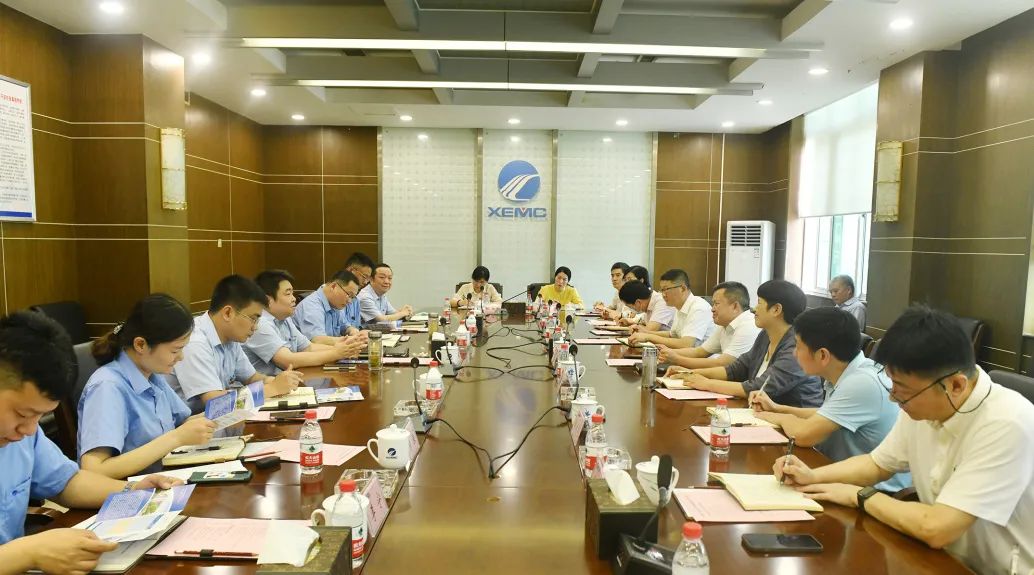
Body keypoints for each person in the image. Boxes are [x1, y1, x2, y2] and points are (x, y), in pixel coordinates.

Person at [774, 306, 1034, 575]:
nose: (893, 397)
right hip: (943, 558)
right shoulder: (925, 402)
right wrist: (812, 476)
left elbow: (936, 527)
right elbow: (877, 464)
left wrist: (859, 495)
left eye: (902, 390)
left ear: (955, 385)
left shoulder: (1007, 423)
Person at [0, 312, 180, 574]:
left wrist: (132, 491)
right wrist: (28, 552)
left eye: (40, 416)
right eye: (22, 414)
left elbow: (66, 482)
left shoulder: (24, 436)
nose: (29, 429)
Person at [751, 307, 910, 492]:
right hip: (843, 478)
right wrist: (777, 408)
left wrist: (773, 416)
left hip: (875, 492)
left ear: (823, 355)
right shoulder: (846, 373)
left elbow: (802, 435)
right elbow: (826, 415)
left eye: (798, 346)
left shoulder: (862, 383)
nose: (794, 353)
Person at [78, 294, 217, 479]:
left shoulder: (151, 374)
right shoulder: (107, 387)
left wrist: (216, 417)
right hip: (132, 490)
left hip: (166, 476)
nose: (181, 357)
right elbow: (94, 471)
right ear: (141, 345)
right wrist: (176, 438)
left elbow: (180, 423)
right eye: (175, 350)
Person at [671, 279, 823, 407]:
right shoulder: (765, 336)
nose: (753, 309)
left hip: (793, 424)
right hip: (761, 415)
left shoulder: (797, 346)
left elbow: (759, 387)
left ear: (776, 309)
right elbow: (736, 369)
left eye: (759, 303)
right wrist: (690, 374)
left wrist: (706, 383)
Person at [167, 275, 304, 413]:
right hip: (188, 422)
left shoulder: (230, 336)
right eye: (253, 319)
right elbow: (216, 404)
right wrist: (272, 388)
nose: (255, 327)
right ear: (228, 313)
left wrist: (275, 381)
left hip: (216, 420)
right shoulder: (195, 343)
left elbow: (252, 378)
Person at [246, 270, 365, 376]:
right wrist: (336, 353)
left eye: (292, 293)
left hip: (287, 380)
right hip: (264, 388)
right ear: (267, 300)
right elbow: (287, 360)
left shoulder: (285, 319)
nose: (294, 298)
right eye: (288, 294)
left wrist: (344, 349)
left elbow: (308, 347)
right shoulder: (259, 324)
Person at [662, 281, 761, 371]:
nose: (712, 309)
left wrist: (677, 359)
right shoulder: (724, 324)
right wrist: (665, 352)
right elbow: (699, 352)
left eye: (716, 304)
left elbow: (722, 364)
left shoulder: (748, 325)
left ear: (735, 306)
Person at [628, 269, 714, 348]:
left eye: (666, 289)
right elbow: (672, 335)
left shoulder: (699, 308)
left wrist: (648, 337)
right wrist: (646, 332)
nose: (663, 294)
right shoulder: (679, 307)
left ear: (683, 288)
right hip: (682, 356)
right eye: (662, 290)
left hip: (703, 359)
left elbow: (686, 344)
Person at [293, 269, 363, 344]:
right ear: (333, 286)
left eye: (352, 297)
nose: (349, 301)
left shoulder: (335, 304)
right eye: (349, 295)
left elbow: (344, 326)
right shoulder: (312, 306)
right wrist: (350, 340)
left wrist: (353, 331)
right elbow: (318, 340)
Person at [340, 252, 376, 332]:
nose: (365, 282)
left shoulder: (355, 300)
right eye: (364, 277)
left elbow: (356, 327)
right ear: (351, 270)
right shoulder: (335, 296)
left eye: (368, 279)